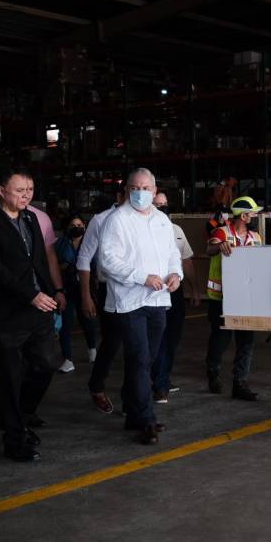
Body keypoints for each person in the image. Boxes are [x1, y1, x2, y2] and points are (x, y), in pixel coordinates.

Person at [0, 167, 61, 462]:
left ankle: (21, 414)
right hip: (6, 314)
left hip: (39, 308)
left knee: (46, 364)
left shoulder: (32, 218)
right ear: (1, 190)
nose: (26, 195)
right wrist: (30, 295)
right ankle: (15, 439)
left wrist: (53, 290)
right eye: (20, 190)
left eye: (30, 190)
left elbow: (39, 261)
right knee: (10, 375)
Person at [99, 168, 182, 445]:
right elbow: (108, 260)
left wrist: (175, 275)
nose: (141, 193)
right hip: (129, 301)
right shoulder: (117, 220)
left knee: (147, 359)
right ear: (126, 189)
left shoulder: (161, 221)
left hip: (158, 300)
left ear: (155, 189)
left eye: (146, 188)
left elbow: (173, 254)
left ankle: (132, 412)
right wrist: (141, 277)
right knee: (139, 358)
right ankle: (146, 419)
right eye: (136, 187)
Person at [206, 196, 264, 401]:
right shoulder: (222, 232)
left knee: (246, 341)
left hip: (245, 298)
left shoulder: (256, 237)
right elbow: (210, 248)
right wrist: (220, 245)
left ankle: (240, 382)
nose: (255, 216)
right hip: (220, 298)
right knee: (221, 340)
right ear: (244, 215)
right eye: (253, 213)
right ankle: (213, 372)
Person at [77, 186, 125, 414]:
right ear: (120, 195)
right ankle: (96, 385)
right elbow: (84, 258)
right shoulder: (101, 220)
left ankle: (134, 399)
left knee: (141, 346)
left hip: (143, 291)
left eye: (146, 189)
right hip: (111, 290)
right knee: (113, 342)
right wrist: (86, 295)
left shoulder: (152, 220)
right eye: (134, 189)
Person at [150, 191, 202, 403]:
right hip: (154, 290)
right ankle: (159, 384)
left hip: (176, 290)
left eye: (165, 204)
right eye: (157, 204)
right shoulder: (146, 231)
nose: (162, 208)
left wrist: (195, 289)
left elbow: (187, 262)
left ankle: (163, 377)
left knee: (172, 338)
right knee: (159, 338)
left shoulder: (177, 230)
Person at [54, 215, 97, 373]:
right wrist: (64, 267)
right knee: (66, 323)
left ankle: (92, 351)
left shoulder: (90, 242)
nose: (76, 227)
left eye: (79, 224)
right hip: (66, 287)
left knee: (88, 319)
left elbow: (96, 265)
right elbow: (53, 265)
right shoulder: (60, 244)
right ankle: (67, 359)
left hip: (85, 287)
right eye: (72, 225)